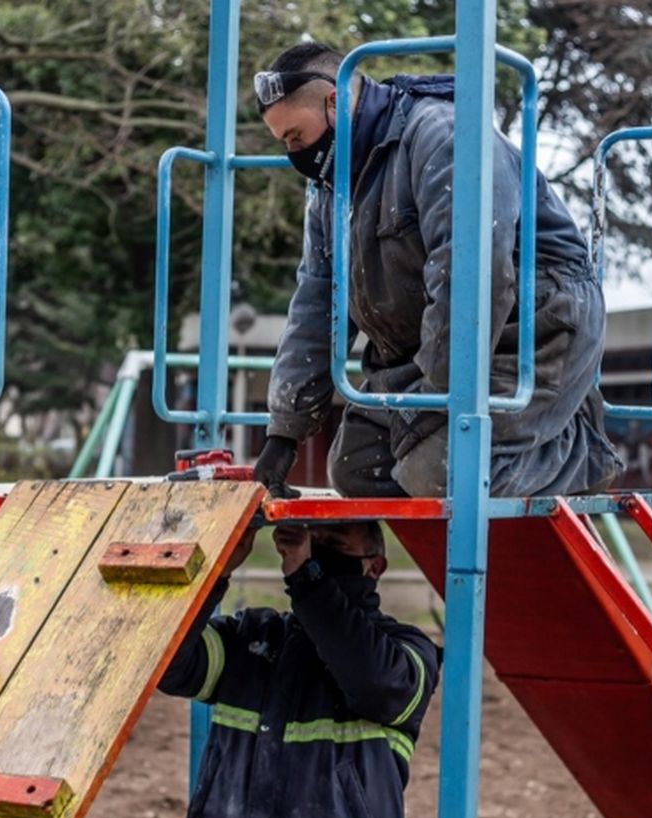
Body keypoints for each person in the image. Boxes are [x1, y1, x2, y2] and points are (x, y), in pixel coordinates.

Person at [250, 41, 624, 500]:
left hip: (532, 326)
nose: (295, 155)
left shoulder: (443, 136)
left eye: (295, 137)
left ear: (334, 102)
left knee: (440, 473)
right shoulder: (331, 187)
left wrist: (437, 402)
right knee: (356, 470)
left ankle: (580, 453)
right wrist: (283, 433)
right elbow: (317, 301)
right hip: (429, 350)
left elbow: (472, 278)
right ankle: (348, 572)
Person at [159, 520, 440, 818]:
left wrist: (307, 576)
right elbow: (168, 664)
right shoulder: (252, 638)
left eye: (333, 544)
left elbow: (371, 682)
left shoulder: (406, 655)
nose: (317, 548)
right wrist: (218, 569)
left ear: (375, 566)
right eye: (313, 539)